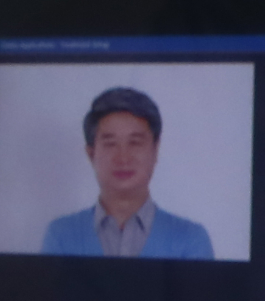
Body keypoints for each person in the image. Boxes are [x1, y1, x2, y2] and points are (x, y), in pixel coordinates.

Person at [38, 84, 215, 258]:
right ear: (91, 154)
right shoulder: (61, 236)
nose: (123, 158)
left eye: (135, 142)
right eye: (110, 143)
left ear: (155, 150)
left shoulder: (190, 240)